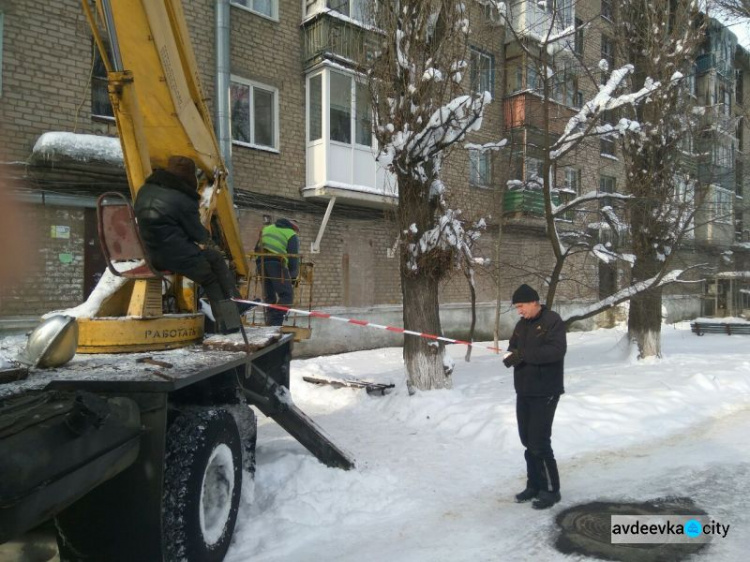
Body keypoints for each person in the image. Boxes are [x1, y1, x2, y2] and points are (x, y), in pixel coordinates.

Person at [133, 155, 241, 333]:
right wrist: (211, 241)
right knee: (210, 279)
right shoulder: (183, 199)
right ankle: (229, 325)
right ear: (189, 177)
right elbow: (197, 233)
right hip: (176, 256)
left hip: (152, 253)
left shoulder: (145, 190)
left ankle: (235, 300)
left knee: (214, 258)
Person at [503, 284, 566, 510]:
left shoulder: (552, 321)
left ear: (533, 302)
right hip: (524, 390)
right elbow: (513, 347)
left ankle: (551, 490)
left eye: (521, 306)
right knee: (527, 441)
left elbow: (556, 351)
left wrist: (524, 354)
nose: (519, 311)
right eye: (517, 307)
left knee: (539, 442)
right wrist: (511, 357)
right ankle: (534, 485)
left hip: (545, 391)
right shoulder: (522, 325)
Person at [257, 218, 300, 326]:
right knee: (287, 296)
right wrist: (293, 276)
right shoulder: (291, 234)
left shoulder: (267, 229)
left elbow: (256, 247)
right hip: (276, 264)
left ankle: (270, 320)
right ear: (294, 228)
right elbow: (293, 258)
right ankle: (275, 322)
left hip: (260, 262)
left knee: (270, 295)